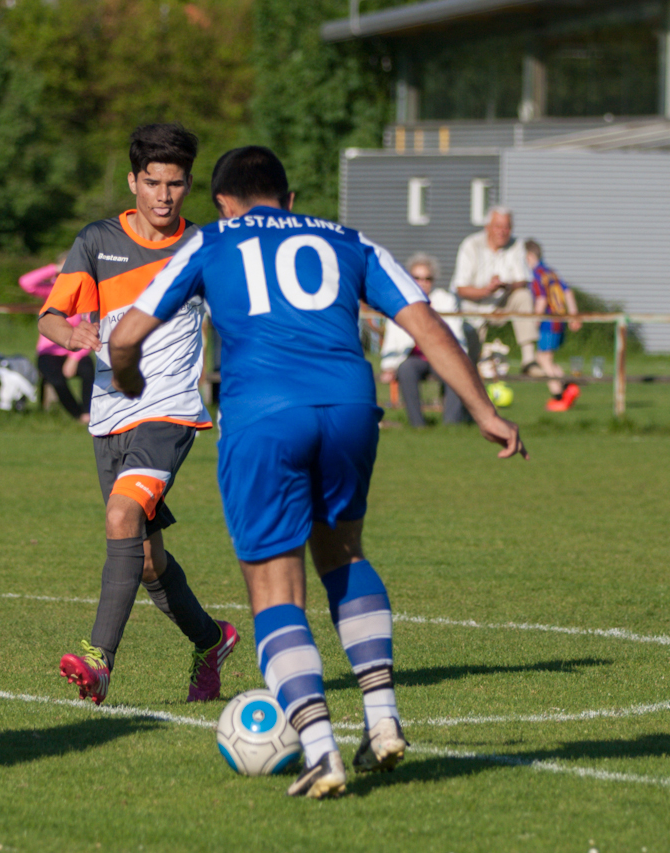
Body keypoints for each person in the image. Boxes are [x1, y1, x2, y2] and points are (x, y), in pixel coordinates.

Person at [109, 146, 526, 799]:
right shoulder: (349, 241)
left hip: (264, 415)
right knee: (344, 552)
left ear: (222, 203)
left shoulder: (211, 241)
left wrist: (129, 378)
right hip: (350, 408)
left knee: (274, 585)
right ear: (290, 199)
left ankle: (320, 749)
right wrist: (483, 410)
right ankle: (382, 718)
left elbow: (126, 334)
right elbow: (426, 323)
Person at [38, 123, 238, 706]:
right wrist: (71, 333)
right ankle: (211, 640)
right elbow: (50, 317)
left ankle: (99, 659)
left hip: (170, 412)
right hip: (109, 415)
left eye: (175, 184)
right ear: (133, 181)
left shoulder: (204, 248)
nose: (163, 196)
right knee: (148, 561)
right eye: (153, 183)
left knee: (122, 513)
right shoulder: (96, 241)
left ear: (189, 185)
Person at [378, 253, 471, 427]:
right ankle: (417, 425)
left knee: (456, 370)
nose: (422, 282)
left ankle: (451, 425)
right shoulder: (399, 300)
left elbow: (456, 332)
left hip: (442, 357)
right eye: (417, 278)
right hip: (414, 358)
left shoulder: (446, 300)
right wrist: (388, 366)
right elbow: (392, 336)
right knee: (406, 369)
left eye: (428, 278)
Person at [450, 207, 540, 373]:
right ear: (487, 227)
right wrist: (487, 290)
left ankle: (529, 360)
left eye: (507, 227)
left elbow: (524, 280)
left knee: (523, 296)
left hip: (500, 305)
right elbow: (460, 288)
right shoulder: (471, 245)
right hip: (471, 309)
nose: (502, 231)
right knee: (467, 365)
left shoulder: (517, 245)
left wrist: (505, 286)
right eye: (498, 226)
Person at [19, 255, 94, 423]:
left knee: (89, 371)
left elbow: (91, 326)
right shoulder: (52, 291)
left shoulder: (85, 293)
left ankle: (89, 412)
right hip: (49, 351)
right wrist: (55, 268)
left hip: (75, 349)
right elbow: (26, 282)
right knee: (57, 380)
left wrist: (74, 359)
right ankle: (77, 414)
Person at [526, 239, 583, 412]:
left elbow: (542, 298)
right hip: (559, 320)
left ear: (529, 256)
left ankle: (560, 395)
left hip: (548, 321)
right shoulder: (551, 272)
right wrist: (573, 315)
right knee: (545, 358)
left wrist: (535, 320)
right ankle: (568, 387)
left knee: (543, 359)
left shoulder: (537, 274)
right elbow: (568, 292)